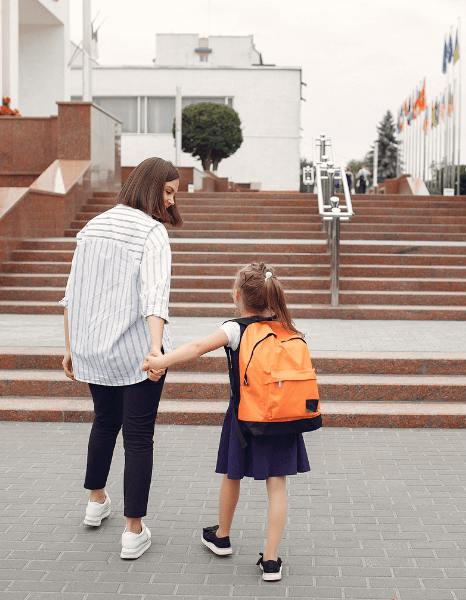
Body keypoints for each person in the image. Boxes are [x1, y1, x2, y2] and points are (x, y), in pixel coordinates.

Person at [142, 262, 311, 581]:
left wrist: (161, 360)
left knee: (232, 475)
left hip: (245, 416)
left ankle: (222, 536)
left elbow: (196, 347)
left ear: (237, 295)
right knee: (277, 485)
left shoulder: (235, 328)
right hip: (284, 416)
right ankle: (271, 560)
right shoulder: (285, 327)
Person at [60, 157, 183, 560]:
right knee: (138, 437)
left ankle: (96, 502)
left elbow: (71, 294)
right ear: (149, 187)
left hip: (93, 348)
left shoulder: (92, 227)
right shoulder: (151, 233)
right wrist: (155, 350)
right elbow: (155, 296)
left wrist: (70, 347)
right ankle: (133, 531)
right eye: (166, 192)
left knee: (105, 421)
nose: (169, 202)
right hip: (134, 352)